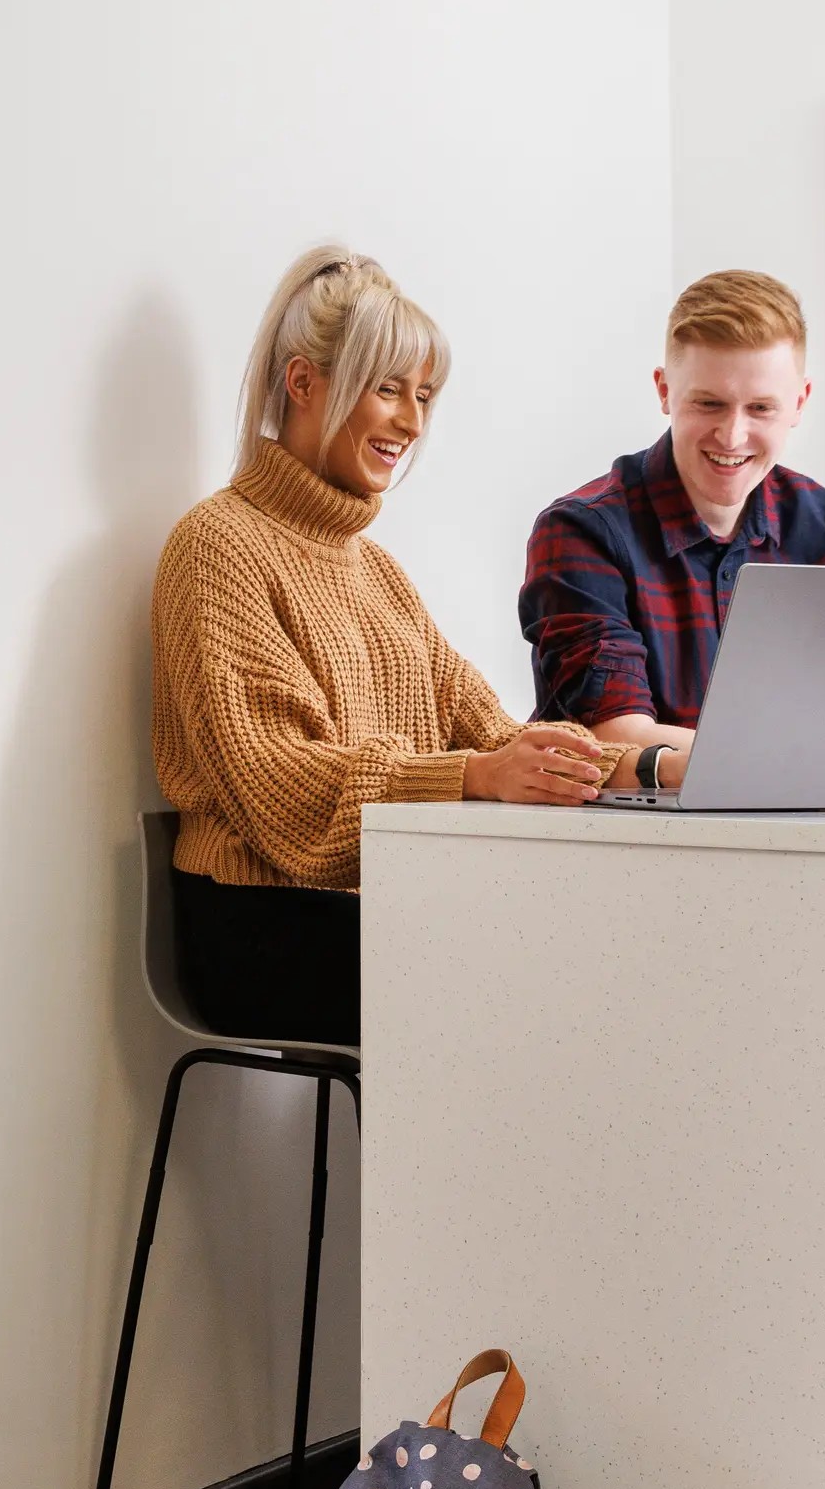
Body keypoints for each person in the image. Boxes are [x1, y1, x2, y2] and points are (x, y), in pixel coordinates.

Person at [150, 246, 658, 1046]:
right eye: (388, 389)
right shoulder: (217, 546)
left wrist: (655, 770)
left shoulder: (377, 571)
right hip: (253, 921)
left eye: (423, 395)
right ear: (304, 382)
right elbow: (280, 785)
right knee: (559, 984)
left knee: (621, 947)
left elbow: (490, 731)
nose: (413, 422)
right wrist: (477, 776)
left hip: (379, 904)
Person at [518, 271, 825, 768]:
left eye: (761, 408)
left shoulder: (819, 519)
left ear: (799, 402)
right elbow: (619, 736)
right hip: (627, 839)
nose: (732, 435)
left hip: (791, 823)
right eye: (708, 403)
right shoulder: (580, 530)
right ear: (664, 391)